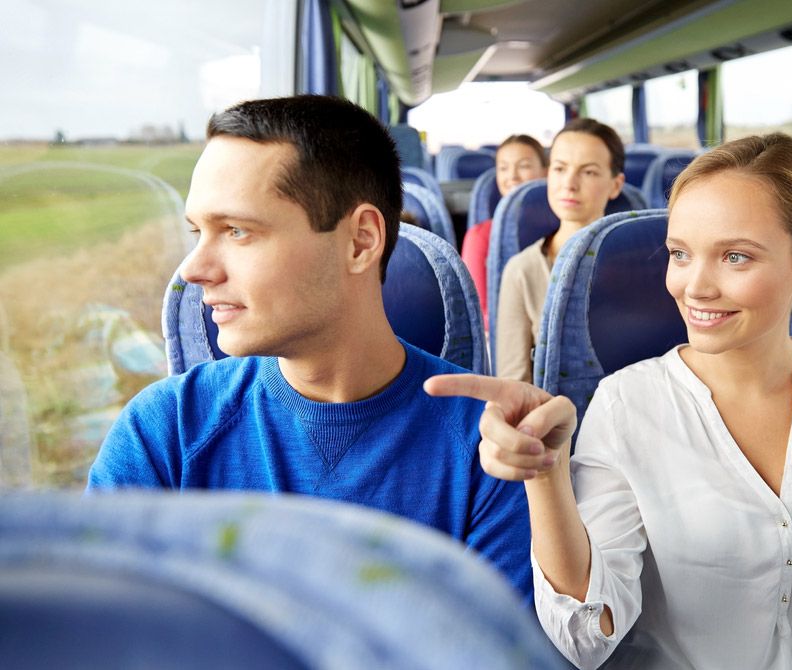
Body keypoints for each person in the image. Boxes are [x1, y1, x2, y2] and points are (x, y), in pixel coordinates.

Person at [426, 133, 792, 668]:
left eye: (736, 257)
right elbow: (585, 640)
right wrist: (546, 479)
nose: (694, 286)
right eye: (679, 253)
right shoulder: (627, 406)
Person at [87, 95, 533, 604]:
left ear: (361, 241)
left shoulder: (493, 448)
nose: (193, 269)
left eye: (236, 231)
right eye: (198, 232)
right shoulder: (164, 434)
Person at [495, 119, 624, 382]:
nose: (569, 184)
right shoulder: (523, 270)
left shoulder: (643, 263)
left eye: (588, 172)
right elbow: (514, 384)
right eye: (560, 168)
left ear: (615, 185)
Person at [460, 134, 548, 327]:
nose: (512, 176)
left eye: (524, 166)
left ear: (545, 172)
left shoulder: (562, 227)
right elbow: (479, 312)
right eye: (503, 168)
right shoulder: (480, 236)